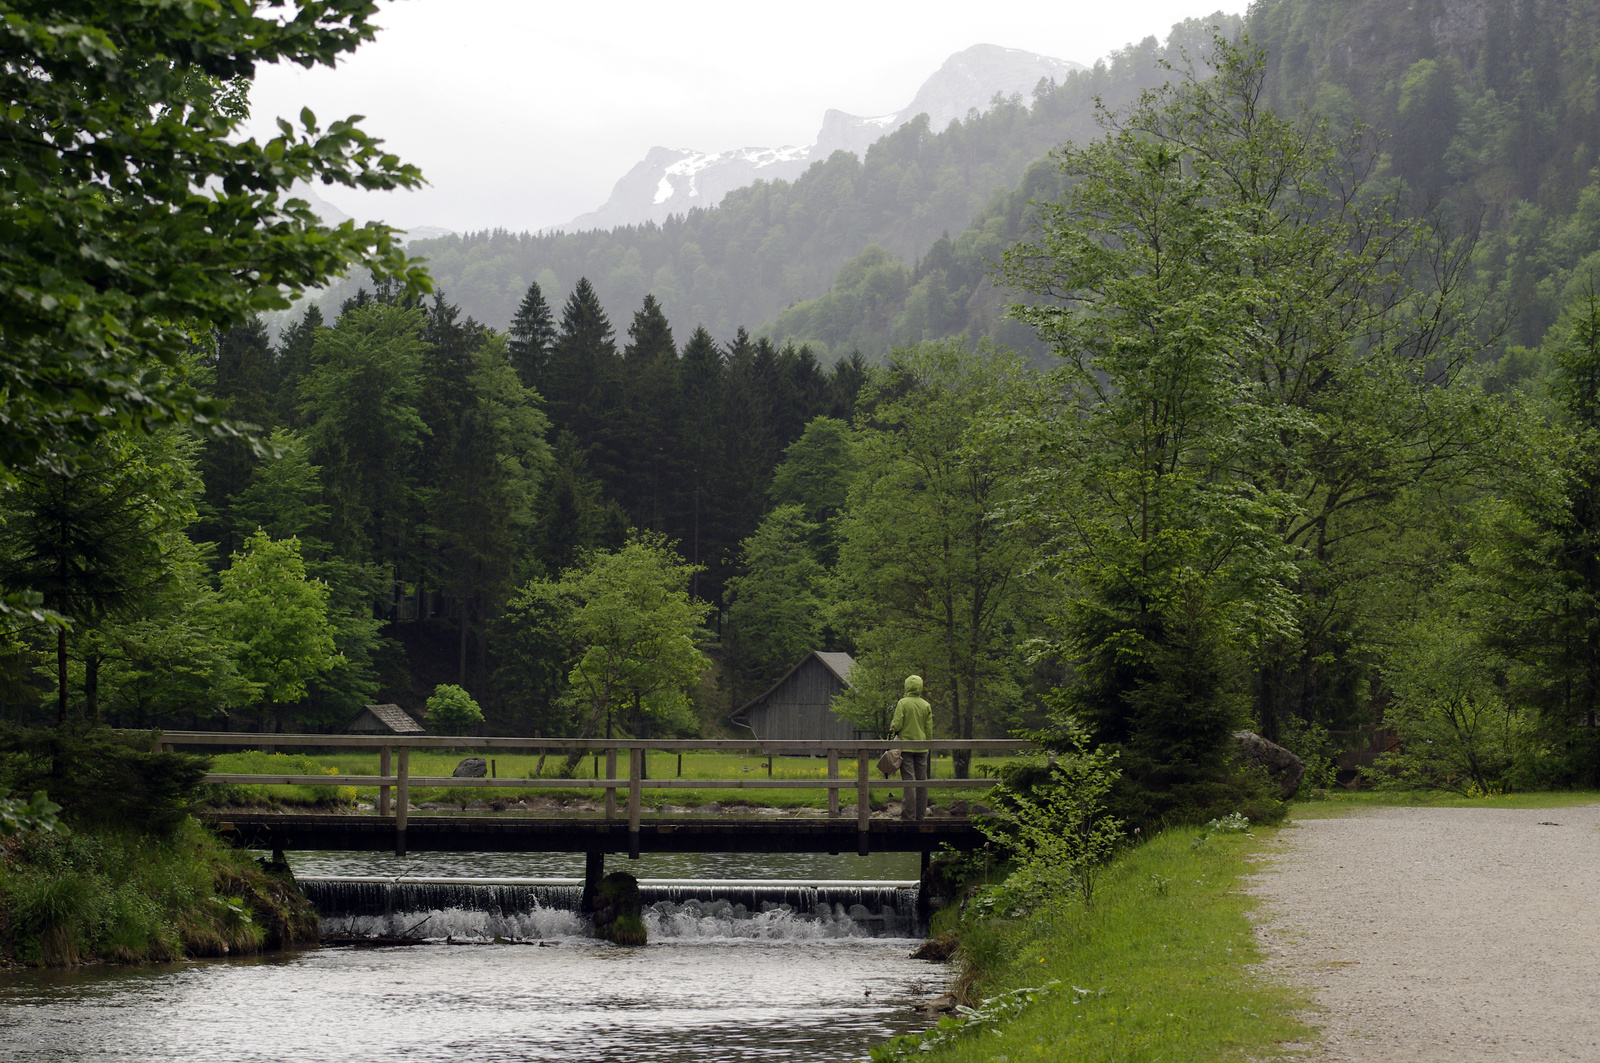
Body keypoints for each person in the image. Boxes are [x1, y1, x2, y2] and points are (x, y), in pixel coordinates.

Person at [891, 675, 932, 820]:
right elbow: (928, 729)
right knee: (922, 781)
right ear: (920, 687)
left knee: (909, 781)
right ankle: (920, 815)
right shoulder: (926, 705)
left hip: (906, 747)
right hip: (922, 747)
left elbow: (897, 724)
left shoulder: (903, 703)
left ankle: (909, 814)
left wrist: (893, 727)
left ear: (907, 686)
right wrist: (928, 742)